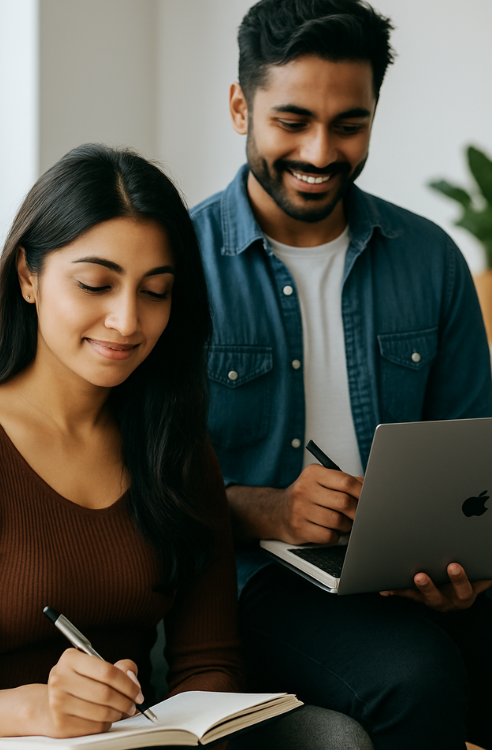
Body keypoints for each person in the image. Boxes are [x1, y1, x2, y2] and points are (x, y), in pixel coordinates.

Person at [190, 1, 492, 748]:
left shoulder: (430, 259)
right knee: (413, 679)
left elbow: (471, 462)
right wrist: (266, 510)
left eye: (348, 125)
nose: (320, 151)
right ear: (240, 107)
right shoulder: (176, 264)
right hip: (251, 582)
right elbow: (132, 480)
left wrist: (466, 566)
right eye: (291, 121)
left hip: (411, 575)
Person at [0, 144, 245, 750]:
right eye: (96, 284)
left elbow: (210, 664)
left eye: (155, 292)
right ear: (28, 276)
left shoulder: (175, 446)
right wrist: (40, 710)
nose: (127, 321)